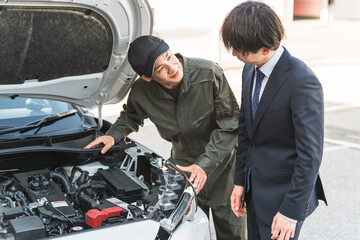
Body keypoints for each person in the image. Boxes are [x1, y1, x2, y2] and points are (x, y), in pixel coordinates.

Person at [85, 35, 246, 239]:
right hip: (183, 171)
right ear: (147, 77)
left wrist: (203, 165)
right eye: (160, 68)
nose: (172, 67)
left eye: (169, 56)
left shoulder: (208, 73)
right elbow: (130, 117)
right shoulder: (141, 92)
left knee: (233, 234)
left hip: (225, 171)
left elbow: (230, 125)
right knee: (187, 232)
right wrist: (112, 136)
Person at [220, 2, 327, 240]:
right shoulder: (250, 70)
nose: (234, 54)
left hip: (284, 198)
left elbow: (310, 155)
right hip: (254, 190)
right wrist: (239, 183)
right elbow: (246, 132)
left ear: (266, 49)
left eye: (240, 50)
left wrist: (290, 212)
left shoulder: (303, 82)